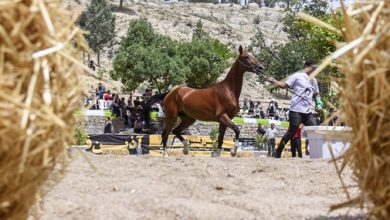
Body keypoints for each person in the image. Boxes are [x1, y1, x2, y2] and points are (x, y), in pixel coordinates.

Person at [268, 59, 323, 158]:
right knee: (291, 132)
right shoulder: (297, 76)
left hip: (308, 112)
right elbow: (284, 85)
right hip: (296, 111)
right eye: (313, 68)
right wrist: (274, 81)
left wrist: (319, 103)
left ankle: (317, 154)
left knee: (314, 130)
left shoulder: (314, 81)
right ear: (306, 66)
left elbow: (316, 93)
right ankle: (278, 151)